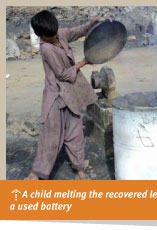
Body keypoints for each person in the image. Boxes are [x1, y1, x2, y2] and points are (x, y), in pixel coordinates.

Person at [26, 10, 105, 180]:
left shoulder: (59, 35)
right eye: (50, 36)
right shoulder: (46, 49)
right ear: (41, 35)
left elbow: (78, 31)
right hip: (55, 96)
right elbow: (62, 74)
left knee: (75, 132)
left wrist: (93, 23)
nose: (54, 37)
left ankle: (79, 168)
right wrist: (83, 62)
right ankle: (37, 173)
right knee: (51, 135)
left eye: (55, 33)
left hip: (70, 93)